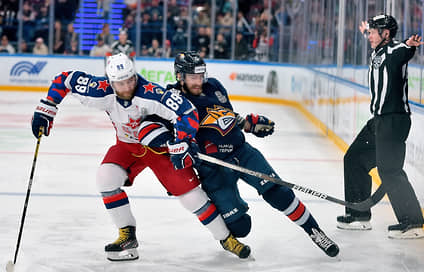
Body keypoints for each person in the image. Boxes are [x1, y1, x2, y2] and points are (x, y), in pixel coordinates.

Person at [30, 53, 251, 261]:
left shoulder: (151, 93)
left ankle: (226, 238)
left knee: (190, 196)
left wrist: (182, 141)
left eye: (130, 80)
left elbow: (187, 111)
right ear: (110, 81)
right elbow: (65, 79)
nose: (127, 87)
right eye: (120, 83)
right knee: (105, 178)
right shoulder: (98, 90)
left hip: (159, 149)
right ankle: (127, 236)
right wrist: (47, 107)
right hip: (128, 147)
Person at [141, 51, 340, 257]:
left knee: (279, 194)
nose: (198, 81)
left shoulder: (215, 86)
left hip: (242, 153)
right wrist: (173, 146)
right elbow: (148, 129)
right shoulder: (172, 98)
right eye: (193, 77)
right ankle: (229, 224)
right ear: (179, 76)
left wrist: (248, 124)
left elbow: (226, 116)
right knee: (241, 227)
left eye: (200, 75)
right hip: (212, 169)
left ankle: (315, 232)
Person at [336, 14, 424, 239]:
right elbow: (376, 40)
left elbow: (403, 50)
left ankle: (412, 223)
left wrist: (409, 44)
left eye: (374, 32)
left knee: (390, 170)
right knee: (354, 159)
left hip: (394, 121)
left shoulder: (395, 51)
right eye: (370, 31)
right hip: (379, 121)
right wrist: (367, 29)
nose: (370, 36)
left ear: (386, 35)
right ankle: (359, 215)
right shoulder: (377, 49)